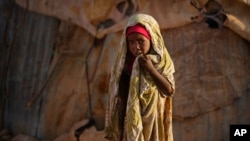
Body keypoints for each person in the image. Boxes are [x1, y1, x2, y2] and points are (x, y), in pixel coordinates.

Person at [104, 13, 175, 141]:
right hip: (131, 120)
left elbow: (169, 90)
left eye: (141, 41)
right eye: (131, 42)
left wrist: (151, 69)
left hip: (154, 119)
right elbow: (118, 95)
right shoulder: (123, 63)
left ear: (152, 38)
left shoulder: (161, 62)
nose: (135, 47)